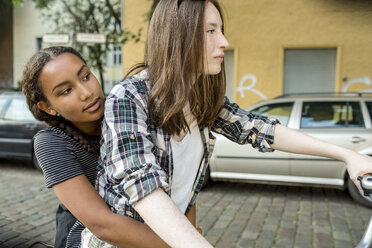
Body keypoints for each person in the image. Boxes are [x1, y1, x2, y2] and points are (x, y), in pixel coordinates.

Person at [82, 0, 372, 247]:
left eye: (221, 30)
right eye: (210, 31)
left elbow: (259, 129)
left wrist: (347, 155)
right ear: (176, 36)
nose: (224, 42)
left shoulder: (201, 97)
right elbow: (144, 188)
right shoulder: (129, 97)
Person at [22, 46, 171, 248]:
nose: (86, 92)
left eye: (85, 76)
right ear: (48, 107)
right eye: (66, 91)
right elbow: (102, 225)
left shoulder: (131, 114)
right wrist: (180, 242)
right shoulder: (51, 142)